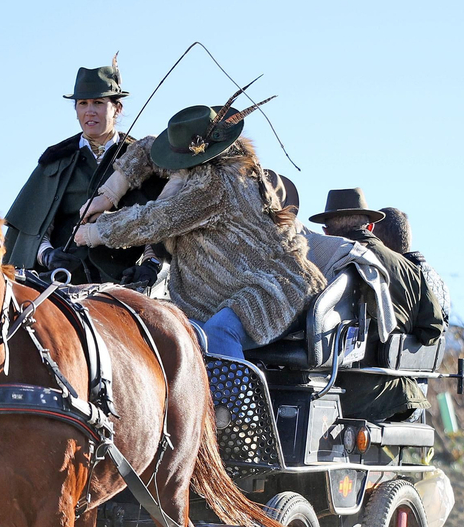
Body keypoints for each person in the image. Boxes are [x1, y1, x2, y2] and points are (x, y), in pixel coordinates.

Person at [72, 98, 325, 358]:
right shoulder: (205, 162)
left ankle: (232, 399)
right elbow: (148, 148)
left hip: (271, 288)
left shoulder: (218, 182)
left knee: (219, 331)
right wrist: (109, 193)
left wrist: (94, 232)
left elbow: (157, 219)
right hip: (225, 292)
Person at [2, 60, 163, 282]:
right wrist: (47, 256)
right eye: (83, 103)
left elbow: (158, 219)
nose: (90, 111)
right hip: (59, 284)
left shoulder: (141, 157)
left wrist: (149, 265)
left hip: (124, 285)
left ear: (117, 108)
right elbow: (31, 229)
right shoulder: (55, 159)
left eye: (98, 103)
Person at [311, 189, 448, 420]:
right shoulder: (410, 270)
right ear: (371, 228)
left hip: (326, 398)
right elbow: (433, 330)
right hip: (397, 400)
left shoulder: (315, 264)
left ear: (325, 231)